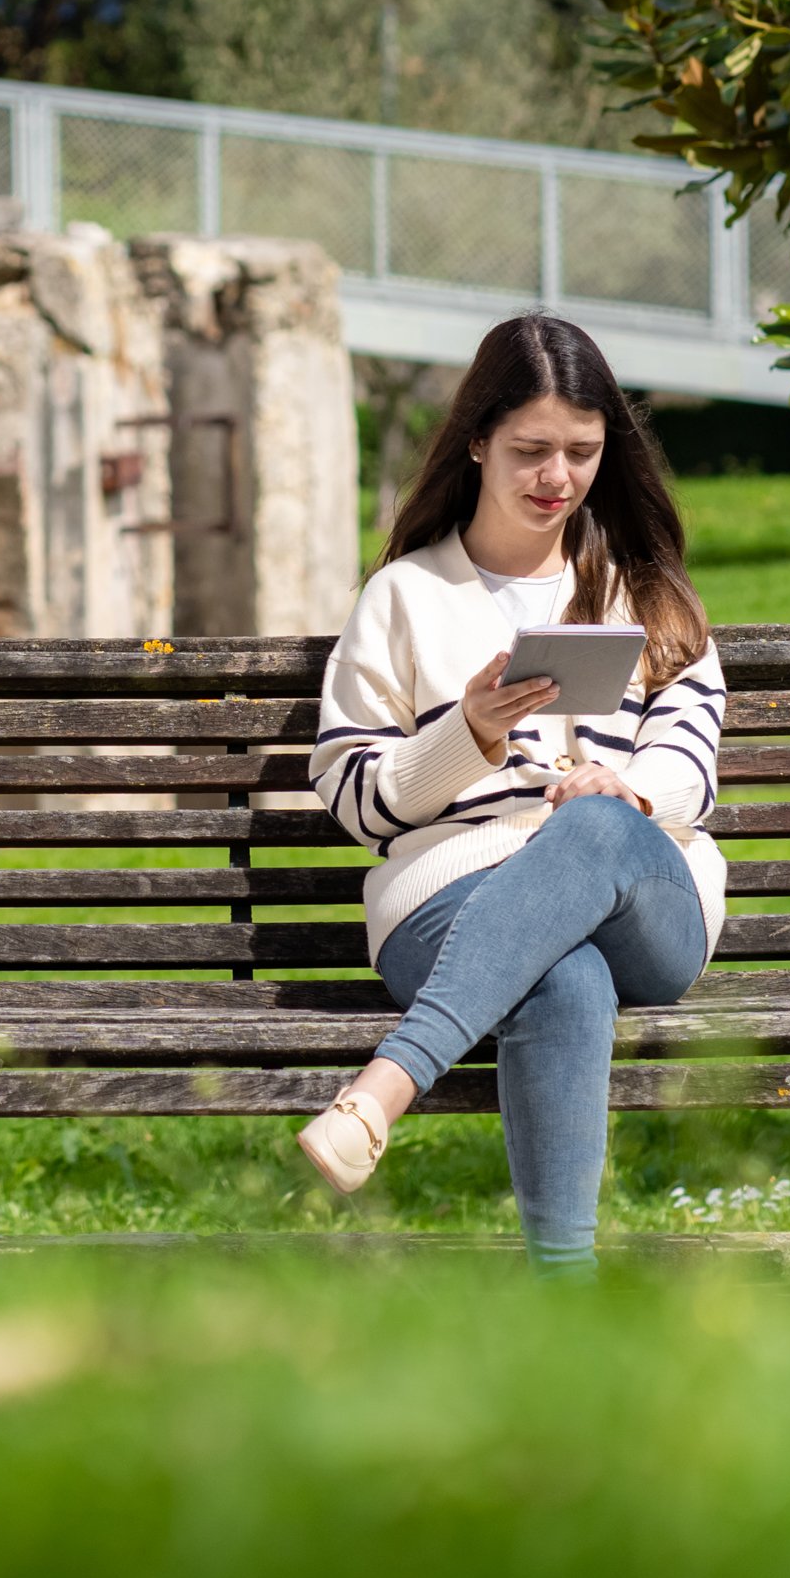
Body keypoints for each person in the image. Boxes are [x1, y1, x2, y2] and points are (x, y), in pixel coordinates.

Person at [295, 312, 726, 1274]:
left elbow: (692, 768)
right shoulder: (403, 596)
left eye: (581, 451)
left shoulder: (646, 591)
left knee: (597, 827)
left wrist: (625, 791)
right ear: (479, 439)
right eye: (531, 450)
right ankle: (565, 1295)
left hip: (645, 900)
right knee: (563, 972)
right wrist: (469, 734)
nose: (556, 477)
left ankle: (382, 1090)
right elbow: (356, 799)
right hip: (448, 897)